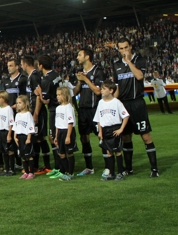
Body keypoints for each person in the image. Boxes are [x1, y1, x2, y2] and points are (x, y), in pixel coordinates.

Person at [113, 38, 159, 178]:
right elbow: (118, 87)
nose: (124, 51)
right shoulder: (116, 65)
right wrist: (112, 102)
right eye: (121, 48)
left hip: (137, 103)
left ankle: (154, 169)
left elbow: (139, 76)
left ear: (130, 47)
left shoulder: (140, 60)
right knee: (126, 137)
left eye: (126, 47)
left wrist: (128, 62)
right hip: (124, 105)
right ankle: (129, 169)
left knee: (145, 136)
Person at [73, 48, 104, 177]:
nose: (77, 57)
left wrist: (85, 79)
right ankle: (89, 167)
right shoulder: (81, 73)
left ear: (87, 57)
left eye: (79, 55)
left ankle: (109, 166)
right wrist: (80, 81)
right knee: (84, 138)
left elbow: (98, 91)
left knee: (101, 137)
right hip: (83, 109)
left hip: (95, 109)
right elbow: (75, 92)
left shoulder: (98, 71)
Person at [93, 80, 128, 181]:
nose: (101, 90)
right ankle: (112, 173)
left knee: (117, 151)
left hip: (115, 128)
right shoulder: (100, 103)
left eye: (104, 89)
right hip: (105, 129)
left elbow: (126, 116)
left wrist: (121, 129)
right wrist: (100, 131)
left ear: (111, 90)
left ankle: (120, 173)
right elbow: (98, 119)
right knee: (109, 152)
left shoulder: (117, 102)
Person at [21, 56, 48, 173]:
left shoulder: (34, 76)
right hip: (33, 111)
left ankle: (47, 166)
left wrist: (36, 113)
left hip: (38, 112)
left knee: (40, 138)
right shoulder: (30, 76)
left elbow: (38, 95)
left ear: (25, 64)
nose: (21, 66)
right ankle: (35, 166)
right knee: (36, 138)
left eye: (21, 64)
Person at [38, 54, 60, 175]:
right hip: (60, 108)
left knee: (53, 138)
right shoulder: (56, 75)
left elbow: (46, 100)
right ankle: (60, 166)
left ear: (41, 65)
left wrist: (39, 93)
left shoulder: (46, 79)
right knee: (57, 137)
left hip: (54, 110)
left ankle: (59, 167)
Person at [53, 87, 78, 181]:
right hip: (60, 132)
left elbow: (70, 122)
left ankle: (70, 173)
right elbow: (57, 124)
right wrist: (56, 136)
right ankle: (67, 171)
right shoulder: (58, 108)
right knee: (61, 154)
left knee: (70, 153)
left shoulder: (69, 107)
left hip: (67, 131)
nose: (57, 97)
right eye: (57, 95)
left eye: (59, 95)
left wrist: (68, 136)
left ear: (65, 95)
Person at [13, 95, 35, 179]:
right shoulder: (17, 115)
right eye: (17, 103)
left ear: (25, 103)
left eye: (20, 103)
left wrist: (29, 138)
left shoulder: (28, 114)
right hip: (19, 137)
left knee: (29, 155)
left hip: (26, 136)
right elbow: (15, 127)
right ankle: (26, 171)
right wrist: (15, 136)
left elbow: (30, 126)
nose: (18, 104)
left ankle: (31, 172)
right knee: (23, 156)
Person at [0, 91, 15, 176]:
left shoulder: (8, 109)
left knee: (9, 150)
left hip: (6, 131)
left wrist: (9, 134)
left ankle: (12, 169)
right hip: (0, 132)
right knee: (3, 151)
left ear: (4, 99)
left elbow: (11, 123)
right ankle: (6, 169)